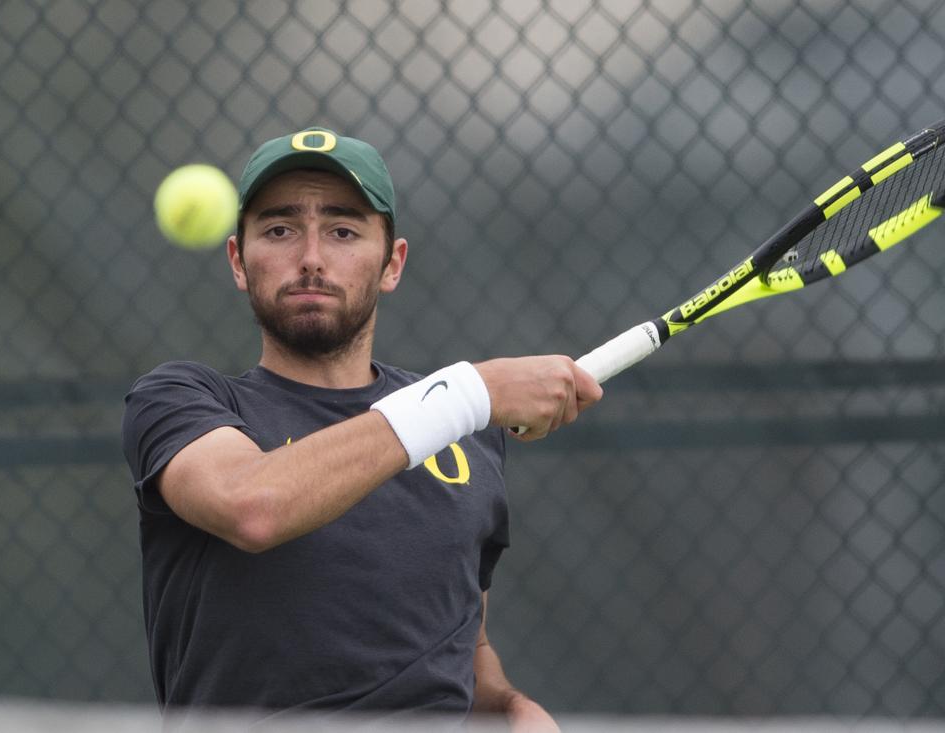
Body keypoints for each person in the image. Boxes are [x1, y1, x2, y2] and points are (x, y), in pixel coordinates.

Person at [121, 127, 602, 729]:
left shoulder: (471, 433)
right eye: (279, 230)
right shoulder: (181, 400)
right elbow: (251, 506)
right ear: (239, 263)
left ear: (391, 264)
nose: (312, 257)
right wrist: (471, 392)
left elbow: (468, 655)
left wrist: (510, 707)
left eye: (344, 231)